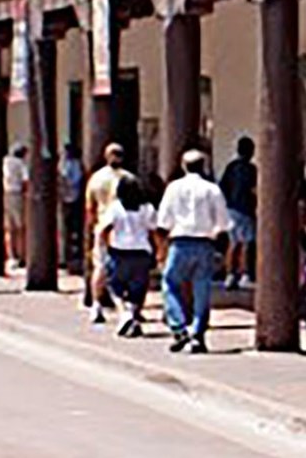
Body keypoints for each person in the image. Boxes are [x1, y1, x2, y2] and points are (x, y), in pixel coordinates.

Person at [158, 149, 230, 354]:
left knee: (170, 283)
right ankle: (198, 334)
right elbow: (223, 222)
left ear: (183, 166)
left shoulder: (174, 188)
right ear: (204, 166)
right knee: (202, 289)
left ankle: (178, 326)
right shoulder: (212, 189)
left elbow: (164, 220)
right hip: (204, 243)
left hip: (179, 242)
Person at [99, 175, 157, 338]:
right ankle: (133, 316)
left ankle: (124, 313)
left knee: (115, 286)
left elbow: (105, 228)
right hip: (141, 252)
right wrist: (158, 251)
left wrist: (103, 246)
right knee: (138, 289)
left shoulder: (115, 207)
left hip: (119, 251)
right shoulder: (147, 208)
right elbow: (154, 230)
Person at [84, 143, 132, 324]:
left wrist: (92, 227)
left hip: (103, 225)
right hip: (125, 228)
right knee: (124, 268)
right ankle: (126, 307)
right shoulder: (128, 178)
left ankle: (97, 305)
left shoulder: (96, 179)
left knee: (100, 267)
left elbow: (90, 207)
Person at [219, 136, 257, 291]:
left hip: (231, 209)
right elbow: (255, 190)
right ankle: (245, 274)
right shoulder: (251, 169)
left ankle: (230, 275)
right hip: (246, 209)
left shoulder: (231, 167)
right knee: (247, 243)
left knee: (233, 244)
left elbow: (223, 187)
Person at [2, 143, 31, 268]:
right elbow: (26, 181)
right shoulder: (20, 164)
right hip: (17, 194)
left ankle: (11, 255)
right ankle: (21, 255)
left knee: (9, 228)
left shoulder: (5, 161)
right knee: (20, 227)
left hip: (5, 193)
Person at [59, 142, 86, 273]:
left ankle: (70, 260)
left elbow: (69, 181)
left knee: (70, 231)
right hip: (73, 199)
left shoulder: (70, 165)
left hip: (71, 200)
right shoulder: (76, 165)